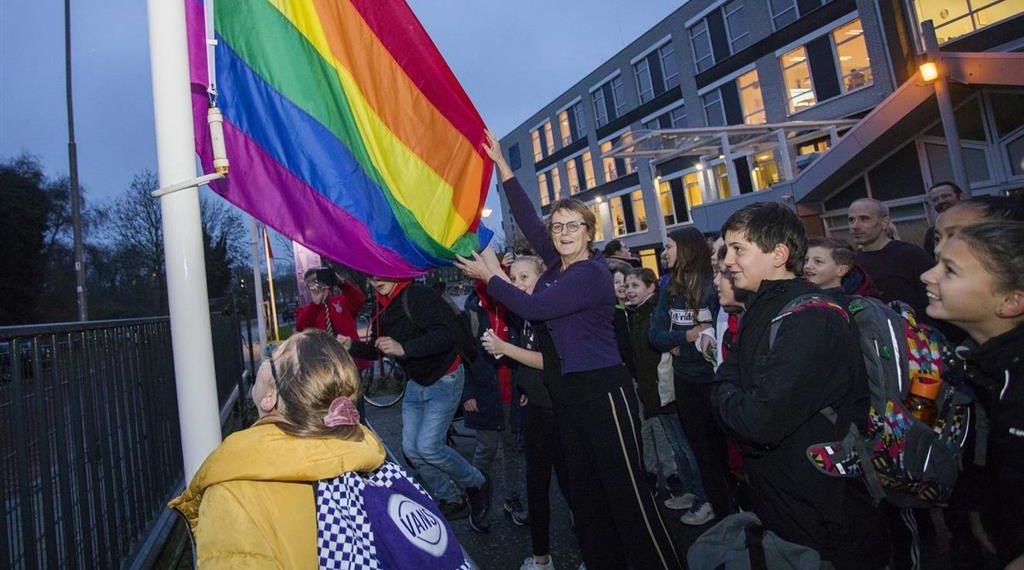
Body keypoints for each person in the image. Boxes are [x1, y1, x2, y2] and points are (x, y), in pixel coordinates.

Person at [458, 131, 683, 570]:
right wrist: (503, 166)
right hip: (567, 394)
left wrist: (490, 277)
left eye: (572, 226)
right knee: (586, 497)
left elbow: (534, 307)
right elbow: (526, 219)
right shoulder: (559, 263)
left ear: (589, 232)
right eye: (557, 226)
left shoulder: (591, 273)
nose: (562, 233)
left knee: (626, 493)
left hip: (603, 392)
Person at [712, 202, 888, 569]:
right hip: (787, 499)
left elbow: (757, 420)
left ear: (779, 253)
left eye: (738, 249)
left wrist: (722, 389)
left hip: (824, 513)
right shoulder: (763, 308)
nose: (727, 260)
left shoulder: (811, 317)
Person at [169, 330, 387, 568]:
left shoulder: (233, 491)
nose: (265, 356)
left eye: (273, 356)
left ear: (270, 397)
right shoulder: (363, 456)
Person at [342, 276, 490, 531]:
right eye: (371, 276)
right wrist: (351, 346)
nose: (376, 281)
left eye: (381, 274)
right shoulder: (380, 306)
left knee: (429, 447)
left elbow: (446, 336)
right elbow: (381, 349)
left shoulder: (418, 295)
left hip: (445, 376)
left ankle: (477, 482)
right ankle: (451, 498)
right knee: (411, 450)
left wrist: (404, 348)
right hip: (416, 382)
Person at [921, 222, 1024, 570]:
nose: (926, 276)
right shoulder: (980, 367)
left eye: (949, 270)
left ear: (1011, 301)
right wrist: (979, 511)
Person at [481, 255, 574, 570]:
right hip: (536, 407)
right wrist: (475, 236)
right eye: (515, 278)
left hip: (560, 410)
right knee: (536, 483)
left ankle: (596, 552)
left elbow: (551, 362)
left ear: (542, 278)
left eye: (524, 278)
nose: (518, 284)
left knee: (575, 485)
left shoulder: (551, 311)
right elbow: (497, 279)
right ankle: (541, 558)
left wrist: (503, 348)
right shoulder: (524, 310)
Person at [649, 227, 730, 526]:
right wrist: (686, 338)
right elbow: (655, 336)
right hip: (684, 382)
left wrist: (682, 346)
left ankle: (729, 512)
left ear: (686, 249)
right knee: (699, 448)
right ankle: (716, 509)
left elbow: (715, 342)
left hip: (712, 382)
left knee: (719, 452)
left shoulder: (713, 287)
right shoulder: (670, 289)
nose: (664, 253)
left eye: (668, 246)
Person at [625, 267, 707, 513]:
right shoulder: (637, 314)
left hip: (665, 387)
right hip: (652, 389)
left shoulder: (654, 314)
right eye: (627, 286)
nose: (629, 291)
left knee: (683, 445)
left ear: (651, 287)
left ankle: (703, 497)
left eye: (635, 286)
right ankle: (691, 493)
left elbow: (663, 346)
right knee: (675, 444)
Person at [849, 197, 933, 318]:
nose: (855, 226)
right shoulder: (852, 262)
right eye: (851, 220)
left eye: (864, 219)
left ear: (884, 222)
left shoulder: (911, 255)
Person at [295, 268, 368, 368]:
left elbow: (359, 299)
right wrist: (316, 305)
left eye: (319, 280)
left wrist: (341, 282)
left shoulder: (341, 301)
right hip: (325, 363)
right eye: (311, 283)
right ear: (307, 288)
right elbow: (301, 329)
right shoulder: (305, 310)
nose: (317, 285)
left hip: (350, 359)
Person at [923, 181, 965, 255]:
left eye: (946, 196)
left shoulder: (981, 223)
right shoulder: (932, 233)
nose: (941, 201)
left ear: (961, 197)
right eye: (935, 200)